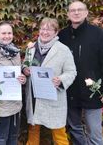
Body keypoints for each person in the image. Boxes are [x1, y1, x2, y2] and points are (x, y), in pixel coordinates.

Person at [58, 0, 103, 145]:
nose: (76, 13)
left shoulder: (97, 34)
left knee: (94, 133)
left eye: (80, 10)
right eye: (73, 10)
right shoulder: (63, 35)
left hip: (92, 92)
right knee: (75, 129)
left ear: (86, 13)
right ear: (68, 14)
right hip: (70, 91)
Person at [22, 17, 77, 145]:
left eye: (49, 29)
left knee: (59, 135)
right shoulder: (31, 48)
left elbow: (71, 72)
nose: (45, 32)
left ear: (56, 32)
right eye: (42, 28)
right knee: (33, 130)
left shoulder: (63, 50)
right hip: (34, 97)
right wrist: (25, 69)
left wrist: (61, 80)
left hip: (53, 97)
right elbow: (25, 63)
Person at [0, 21, 27, 145]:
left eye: (9, 33)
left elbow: (18, 73)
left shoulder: (15, 51)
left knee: (13, 137)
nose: (7, 36)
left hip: (15, 102)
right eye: (3, 33)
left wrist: (23, 79)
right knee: (1, 138)